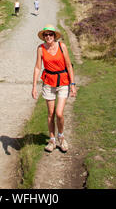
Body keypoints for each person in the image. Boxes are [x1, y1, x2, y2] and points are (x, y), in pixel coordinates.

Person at [32, 24, 76, 153]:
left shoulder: (62, 46)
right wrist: (34, 86)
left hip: (63, 81)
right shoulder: (40, 49)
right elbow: (37, 67)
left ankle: (61, 137)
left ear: (54, 36)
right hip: (48, 82)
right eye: (46, 35)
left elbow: (68, 65)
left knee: (59, 113)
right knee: (50, 114)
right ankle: (52, 140)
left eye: (51, 34)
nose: (48, 37)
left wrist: (72, 85)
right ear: (43, 37)